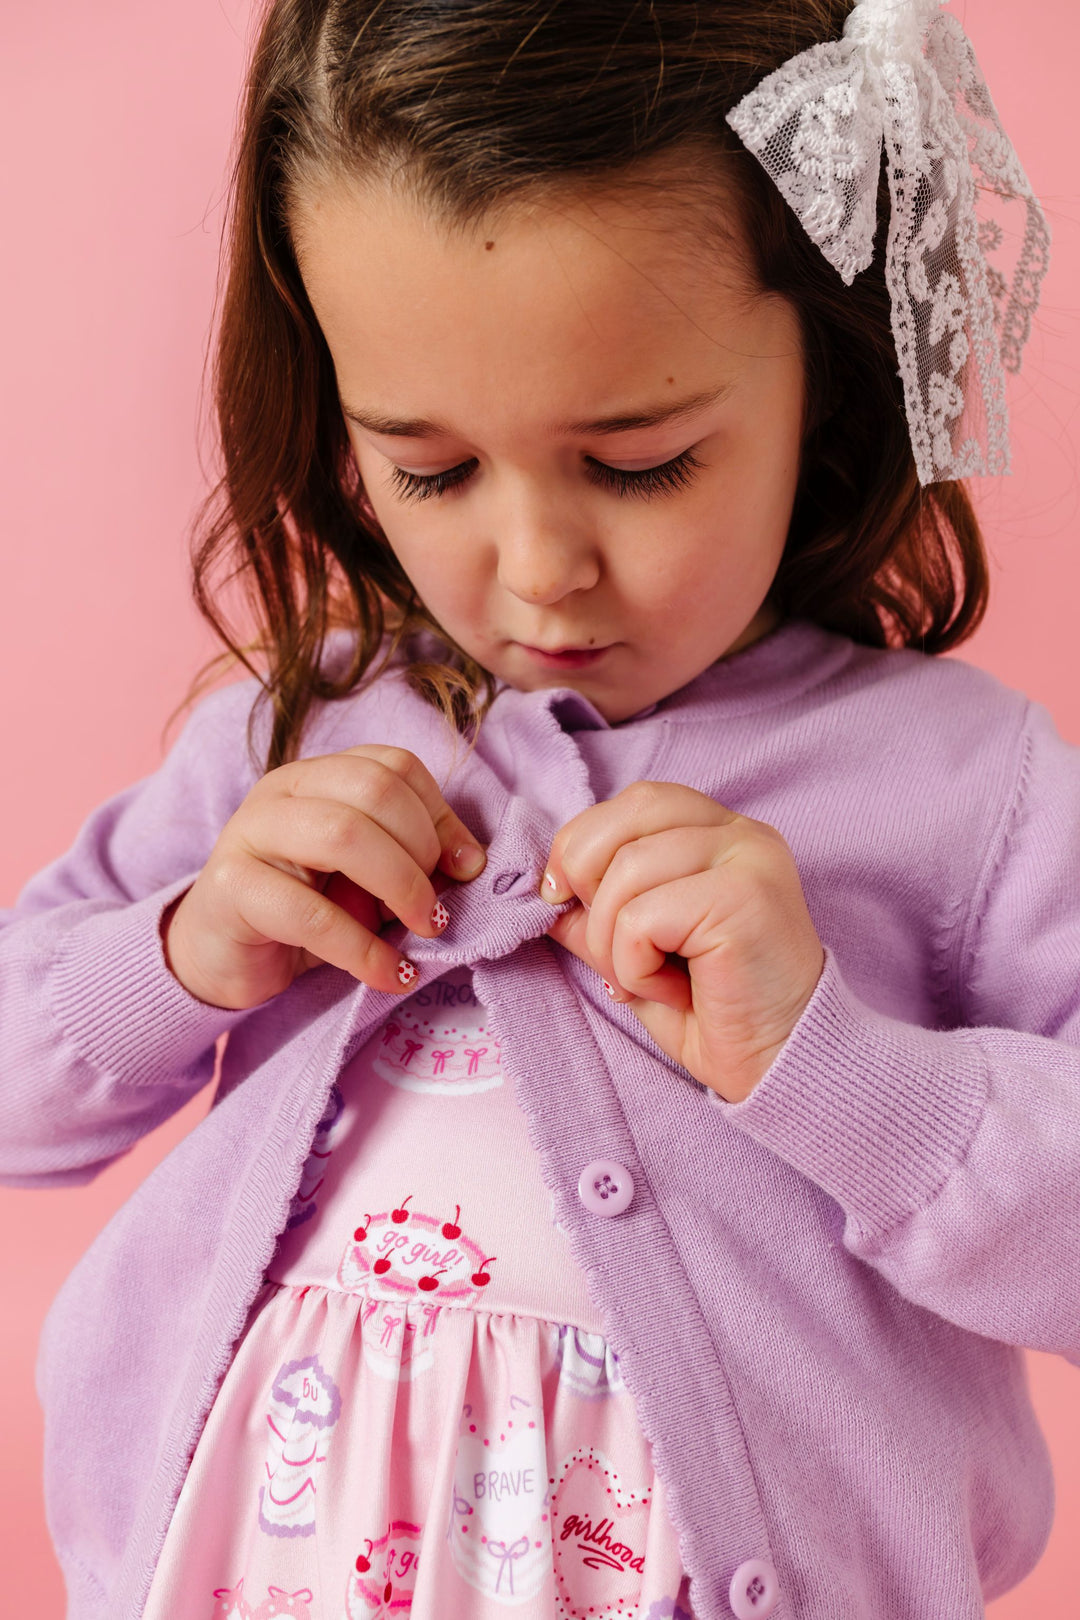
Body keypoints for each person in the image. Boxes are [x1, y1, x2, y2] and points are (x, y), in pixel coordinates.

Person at [0, 0, 1068, 1616]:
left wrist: (848, 1079)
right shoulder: (290, 738)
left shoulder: (966, 790)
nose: (539, 569)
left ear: (827, 378)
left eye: (638, 463)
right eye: (428, 471)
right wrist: (182, 951)